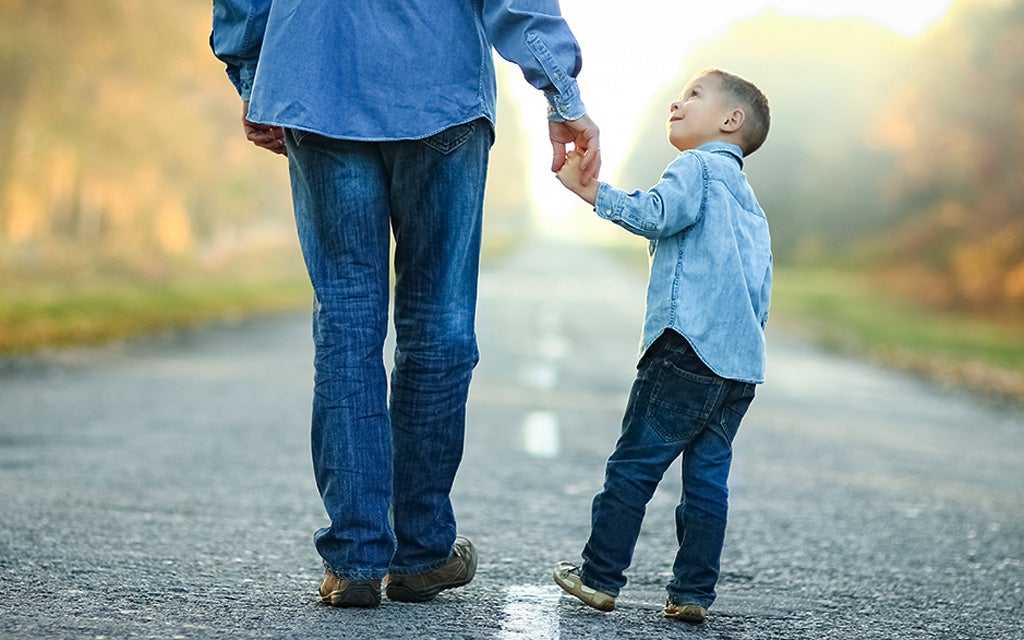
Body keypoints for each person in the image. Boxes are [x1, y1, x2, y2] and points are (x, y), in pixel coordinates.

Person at [210, 1, 600, 608]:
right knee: (438, 325)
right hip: (436, 85)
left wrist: (256, 72)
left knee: (345, 321)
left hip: (316, 79)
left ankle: (356, 558)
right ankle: (419, 553)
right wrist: (563, 94)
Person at [551, 68, 771, 625]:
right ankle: (692, 593)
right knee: (706, 484)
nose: (677, 102)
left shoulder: (695, 167)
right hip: (738, 367)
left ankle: (599, 577)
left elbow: (656, 214)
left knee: (633, 467)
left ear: (731, 120)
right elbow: (760, 292)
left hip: (685, 349)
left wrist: (592, 192)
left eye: (693, 95)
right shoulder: (750, 204)